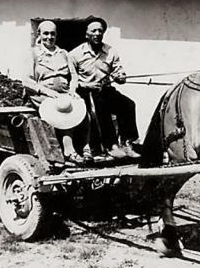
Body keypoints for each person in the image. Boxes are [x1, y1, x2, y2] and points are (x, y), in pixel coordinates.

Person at [69, 16, 140, 159]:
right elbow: (72, 81)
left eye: (100, 31)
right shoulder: (74, 54)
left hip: (106, 90)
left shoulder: (110, 51)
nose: (97, 34)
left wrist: (121, 77)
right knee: (100, 107)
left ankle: (127, 143)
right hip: (85, 93)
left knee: (128, 105)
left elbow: (119, 73)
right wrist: (86, 85)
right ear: (86, 34)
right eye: (93, 31)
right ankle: (111, 146)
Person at [31, 20, 90, 163]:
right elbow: (26, 80)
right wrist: (47, 92)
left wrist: (72, 90)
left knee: (84, 110)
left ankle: (87, 148)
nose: (49, 37)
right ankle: (69, 151)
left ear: (56, 35)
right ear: (39, 34)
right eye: (46, 33)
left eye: (52, 34)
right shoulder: (34, 54)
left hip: (63, 93)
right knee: (63, 110)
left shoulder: (63, 53)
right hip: (43, 95)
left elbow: (74, 75)